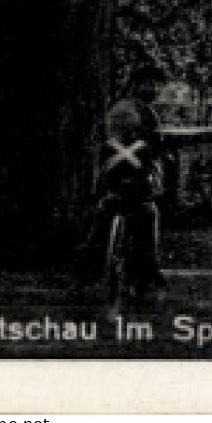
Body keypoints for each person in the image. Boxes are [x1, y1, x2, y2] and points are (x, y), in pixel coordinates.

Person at [75, 66, 167, 293]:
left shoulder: (114, 110)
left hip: (110, 182)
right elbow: (154, 149)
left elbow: (103, 147)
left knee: (101, 218)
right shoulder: (147, 114)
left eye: (157, 85)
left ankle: (85, 274)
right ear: (137, 84)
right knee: (148, 213)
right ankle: (147, 273)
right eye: (150, 84)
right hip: (136, 185)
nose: (155, 89)